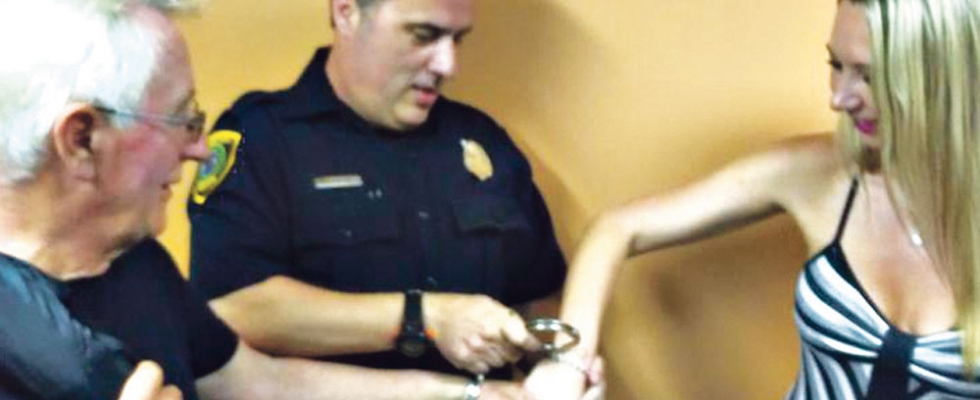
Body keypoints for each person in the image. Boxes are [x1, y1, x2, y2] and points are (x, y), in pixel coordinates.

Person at [0, 0, 528, 399]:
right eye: (183, 120)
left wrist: (475, 395)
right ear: (82, 140)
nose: (198, 149)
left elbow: (254, 380)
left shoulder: (137, 262)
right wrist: (425, 318)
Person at [523, 0, 980, 399]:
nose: (839, 99)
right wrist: (568, 363)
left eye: (870, 76)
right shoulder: (823, 173)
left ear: (946, 75)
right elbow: (616, 228)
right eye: (836, 65)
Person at [187, 0, 567, 396]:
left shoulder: (481, 140)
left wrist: (560, 365)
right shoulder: (263, 136)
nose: (447, 65)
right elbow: (230, 309)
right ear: (347, 12)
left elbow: (535, 297)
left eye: (457, 40)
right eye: (424, 35)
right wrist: (424, 317)